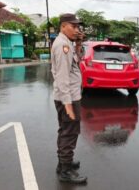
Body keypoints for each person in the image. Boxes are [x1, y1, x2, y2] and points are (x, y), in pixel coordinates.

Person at [51, 13, 87, 184]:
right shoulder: (62, 46)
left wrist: (78, 43)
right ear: (63, 26)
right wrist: (68, 104)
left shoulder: (68, 44)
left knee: (66, 131)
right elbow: (62, 76)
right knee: (69, 132)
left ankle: (64, 163)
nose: (76, 30)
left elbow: (77, 62)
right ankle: (65, 172)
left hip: (70, 96)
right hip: (68, 98)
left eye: (77, 26)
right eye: (73, 26)